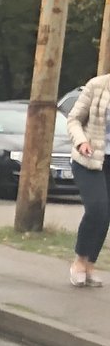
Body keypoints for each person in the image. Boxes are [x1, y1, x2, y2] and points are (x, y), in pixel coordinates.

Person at [67, 73, 110, 286]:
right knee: (97, 209)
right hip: (89, 159)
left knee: (105, 215)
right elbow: (74, 119)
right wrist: (81, 141)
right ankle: (79, 262)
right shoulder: (97, 85)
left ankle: (90, 265)